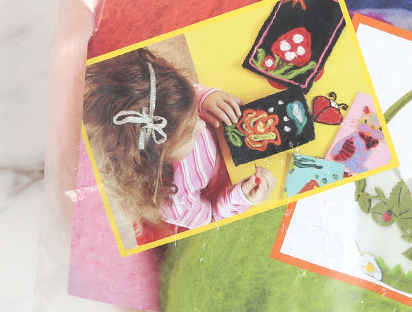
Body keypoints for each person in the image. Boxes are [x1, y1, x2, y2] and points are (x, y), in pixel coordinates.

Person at [82, 47, 273, 239]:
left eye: (192, 113)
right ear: (156, 160)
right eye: (189, 135)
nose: (201, 125)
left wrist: (204, 99)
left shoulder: (164, 105)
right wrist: (241, 197)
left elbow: (184, 96)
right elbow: (212, 218)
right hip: (228, 179)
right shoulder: (173, 200)